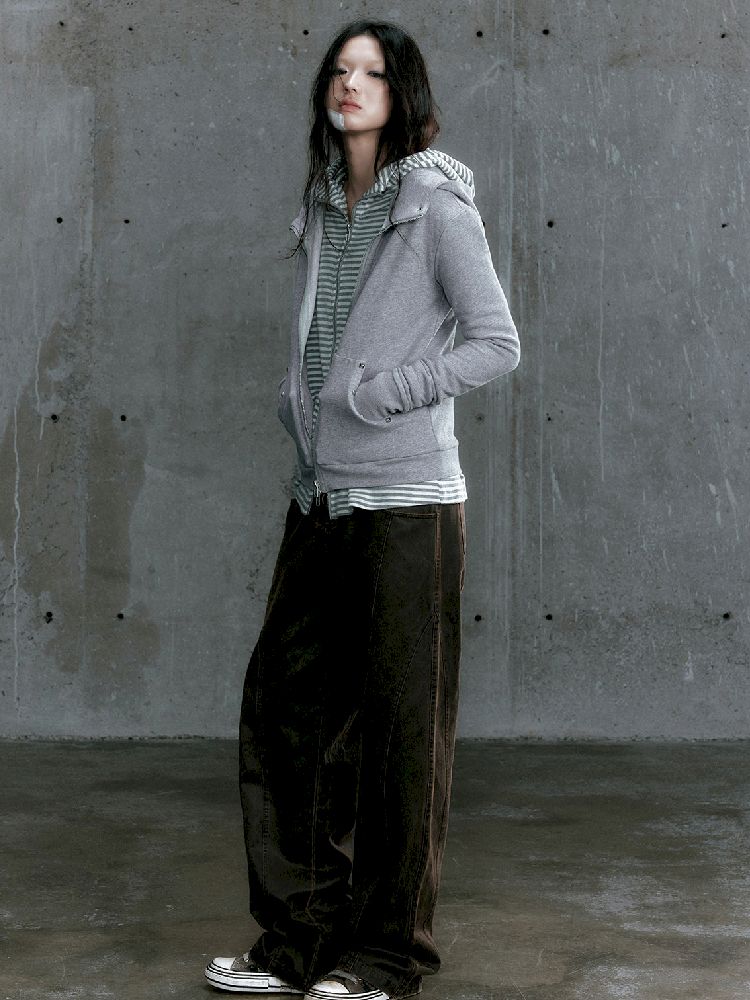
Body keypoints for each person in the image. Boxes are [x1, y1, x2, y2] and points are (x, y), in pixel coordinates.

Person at [205, 18, 520, 1000]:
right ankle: (300, 942)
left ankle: (384, 957)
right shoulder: (322, 201)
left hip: (408, 504)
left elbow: (496, 342)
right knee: (285, 721)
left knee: (398, 739)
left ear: (401, 91)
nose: (350, 84)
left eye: (371, 72)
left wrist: (386, 394)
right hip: (320, 494)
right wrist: (299, 404)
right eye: (339, 70)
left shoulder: (433, 206)